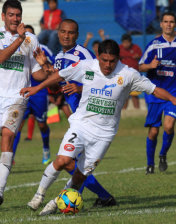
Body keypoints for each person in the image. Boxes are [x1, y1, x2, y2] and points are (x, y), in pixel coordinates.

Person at [21, 39, 176, 216]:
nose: (108, 65)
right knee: (62, 160)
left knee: (81, 175)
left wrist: (173, 99)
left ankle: (55, 202)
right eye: (104, 60)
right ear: (98, 57)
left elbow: (154, 89)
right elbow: (60, 75)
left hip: (104, 134)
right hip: (81, 125)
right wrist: (37, 88)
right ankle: (39, 195)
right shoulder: (87, 66)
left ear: (118, 59)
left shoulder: (128, 74)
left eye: (112, 61)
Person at [26, 20, 118, 215]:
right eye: (63, 32)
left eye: (70, 33)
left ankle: (67, 199)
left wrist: (81, 87)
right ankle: (103, 197)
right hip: (78, 118)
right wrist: (47, 67)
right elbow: (57, 86)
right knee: (72, 164)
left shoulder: (84, 54)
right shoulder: (59, 57)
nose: (66, 36)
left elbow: (104, 79)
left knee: (69, 163)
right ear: (58, 33)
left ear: (76, 35)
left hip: (91, 119)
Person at [0, 0, 47, 211]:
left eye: (18, 15)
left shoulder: (32, 39)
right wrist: (20, 38)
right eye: (11, 15)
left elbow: (36, 73)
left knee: (8, 137)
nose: (15, 18)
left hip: (17, 97)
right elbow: (0, 57)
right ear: (3, 16)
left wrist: (46, 67)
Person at [139, 12, 176, 174]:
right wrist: (150, 66)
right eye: (166, 21)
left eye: (172, 22)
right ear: (161, 24)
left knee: (168, 126)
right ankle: (149, 164)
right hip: (155, 93)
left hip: (173, 93)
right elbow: (140, 66)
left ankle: (162, 155)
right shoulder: (153, 45)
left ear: (175, 24)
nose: (168, 24)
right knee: (153, 132)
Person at [12, 24, 54, 165]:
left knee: (42, 125)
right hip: (23, 92)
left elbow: (53, 70)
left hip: (39, 93)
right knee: (17, 125)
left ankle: (46, 148)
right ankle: (10, 156)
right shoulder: (17, 49)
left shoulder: (44, 50)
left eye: (29, 35)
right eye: (24, 35)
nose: (26, 38)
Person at [119, 33, 142, 109]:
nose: (126, 44)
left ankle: (137, 109)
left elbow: (141, 59)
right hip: (123, 74)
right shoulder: (119, 48)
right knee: (124, 95)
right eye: (124, 42)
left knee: (134, 94)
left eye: (127, 42)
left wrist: (138, 57)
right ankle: (124, 110)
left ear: (130, 42)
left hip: (134, 74)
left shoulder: (136, 48)